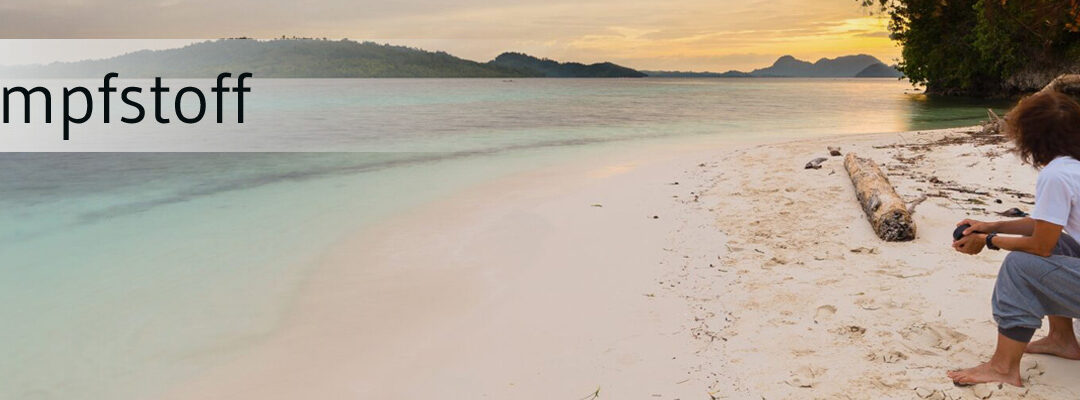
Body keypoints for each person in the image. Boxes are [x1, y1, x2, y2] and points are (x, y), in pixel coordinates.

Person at [948, 90, 1080, 386]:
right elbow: (1046, 225)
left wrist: (989, 240)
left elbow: (1040, 245)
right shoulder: (1073, 168)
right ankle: (1062, 340)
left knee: (1019, 265)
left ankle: (1003, 367)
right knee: (1059, 244)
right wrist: (991, 224)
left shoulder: (1056, 175)